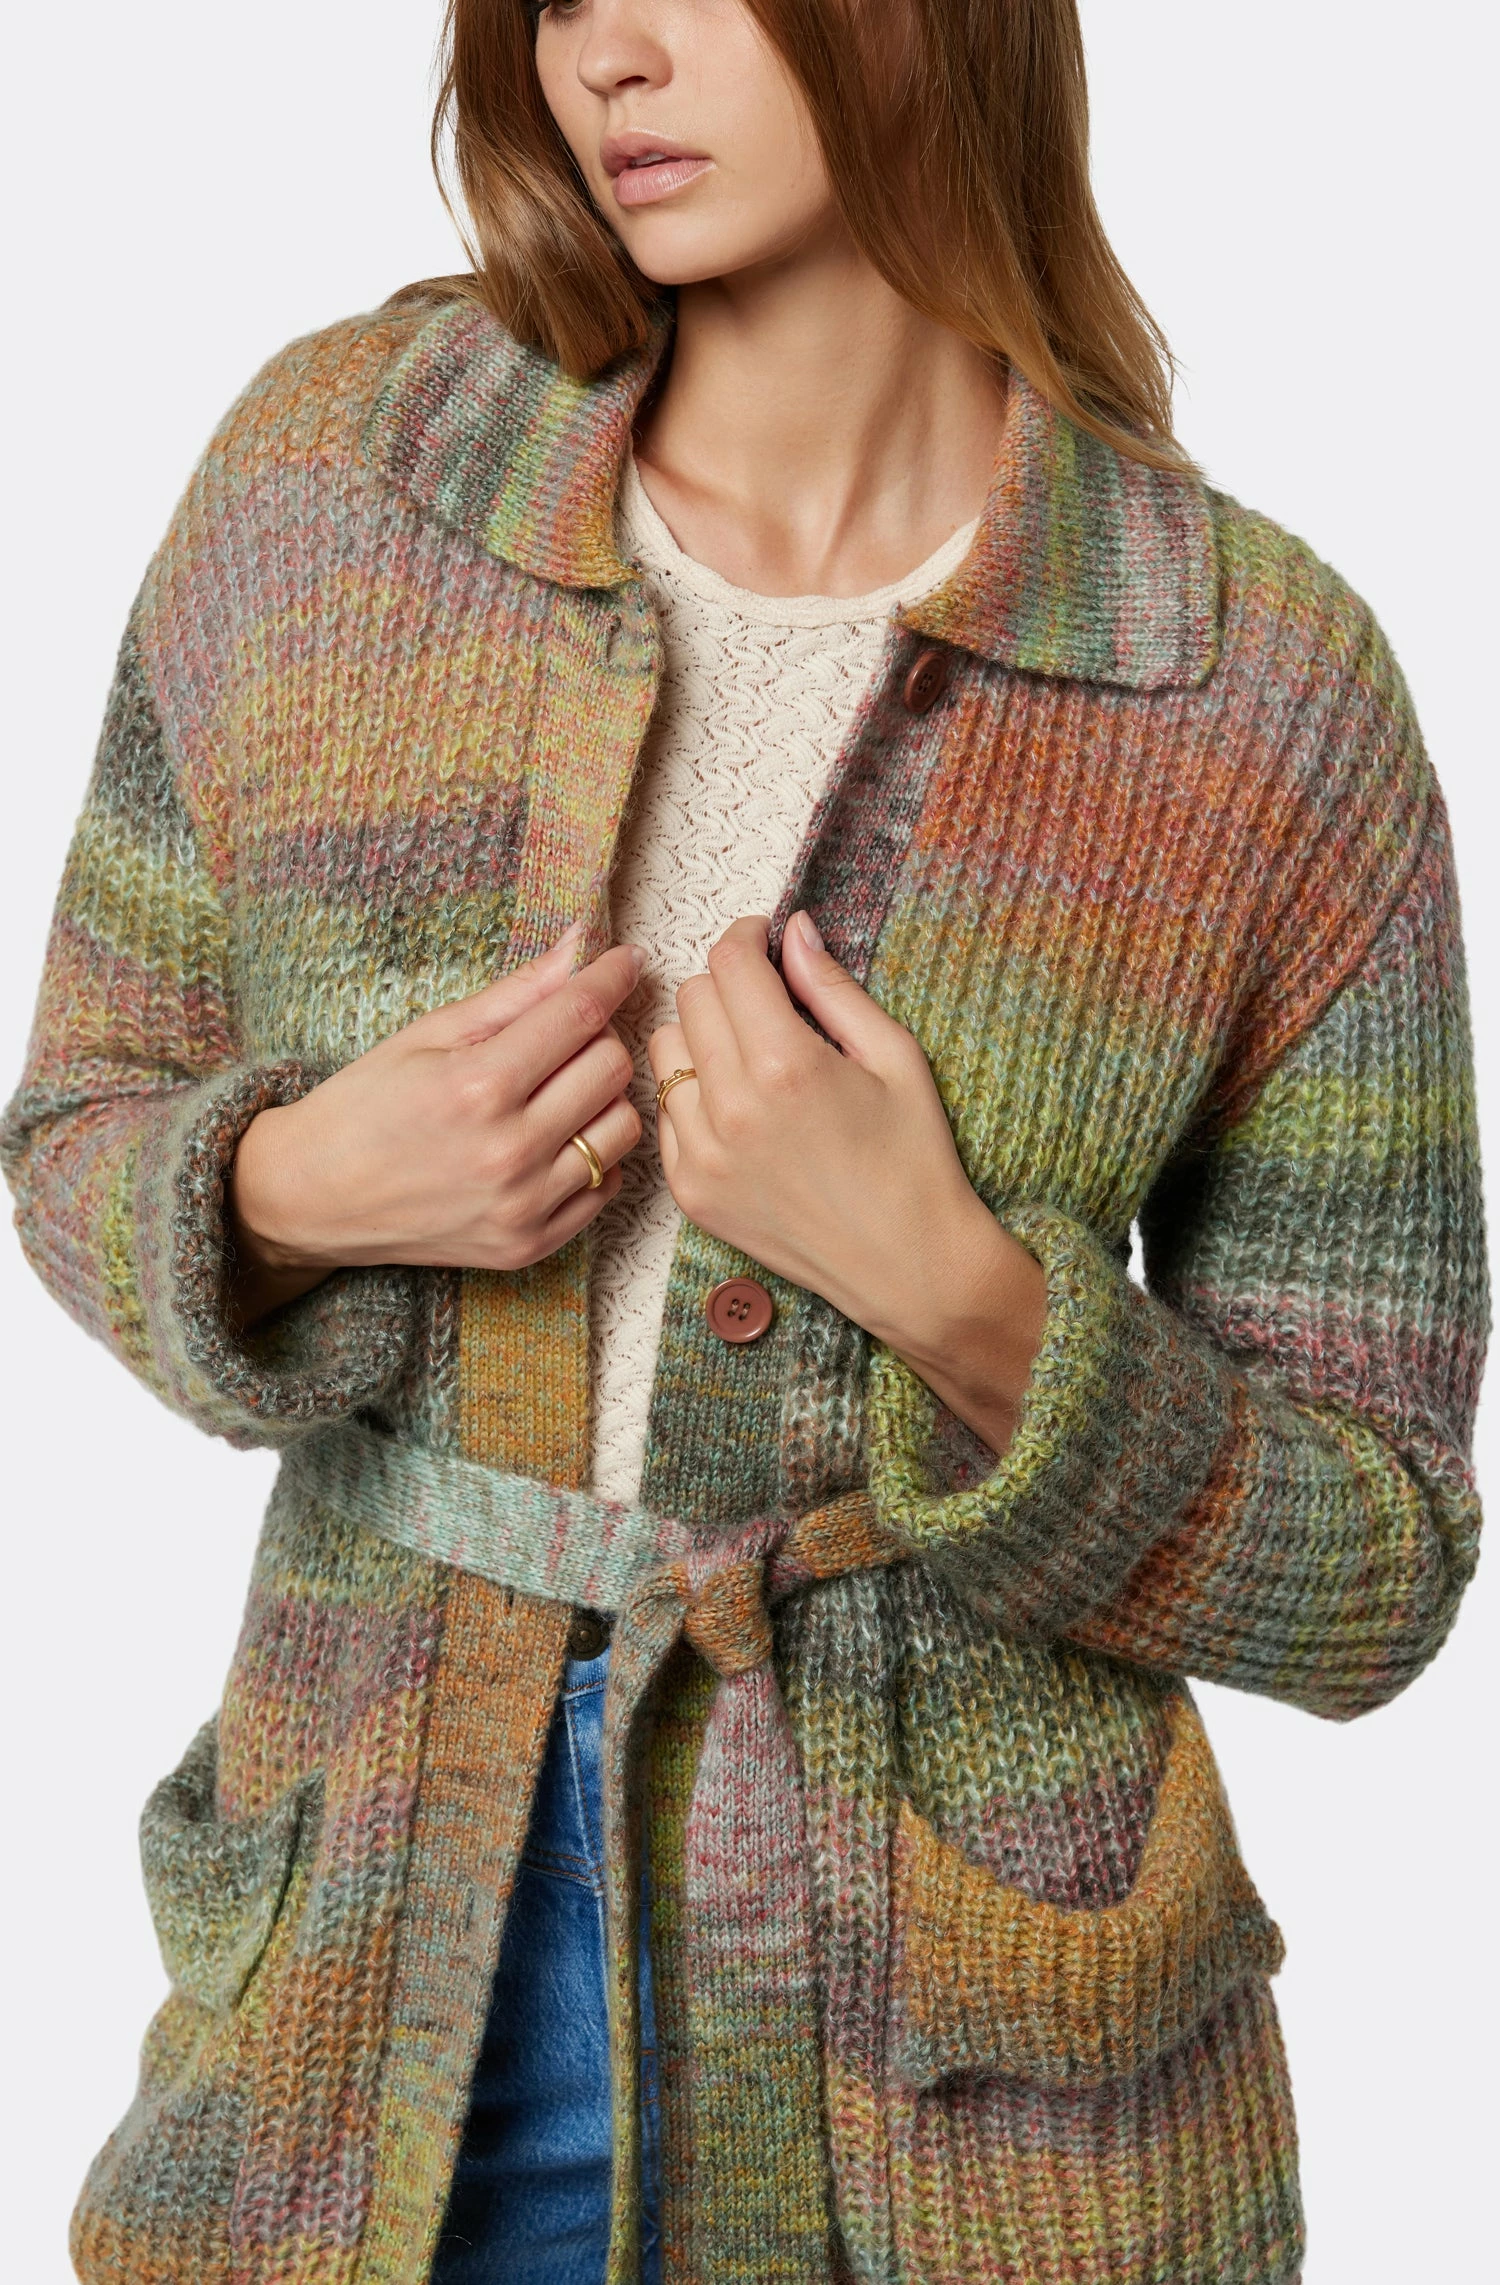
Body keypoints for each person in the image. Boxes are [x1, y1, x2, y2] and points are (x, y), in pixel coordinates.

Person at [2, 0, 1487, 2279]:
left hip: (977, 2098)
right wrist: (293, 1188)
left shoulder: (1250, 685)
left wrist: (964, 1300)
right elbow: (76, 1127)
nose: (606, 55)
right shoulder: (338, 481)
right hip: (369, 1982)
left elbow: (1377, 1557)